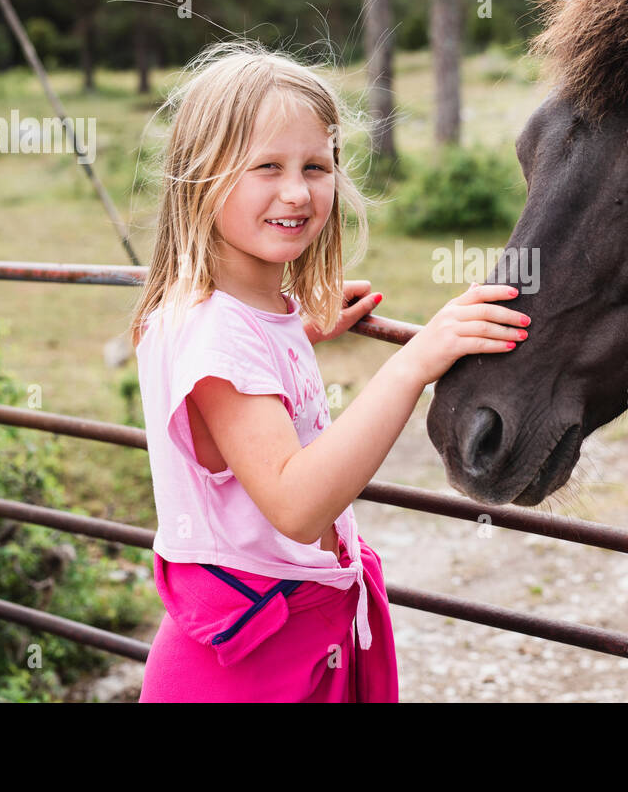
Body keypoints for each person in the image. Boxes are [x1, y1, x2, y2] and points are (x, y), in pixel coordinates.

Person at [129, 39, 530, 702]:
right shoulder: (220, 333)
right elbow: (294, 501)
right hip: (251, 670)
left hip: (271, 639)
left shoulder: (206, 307)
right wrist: (414, 364)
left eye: (316, 165)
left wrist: (298, 328)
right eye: (266, 166)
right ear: (201, 176)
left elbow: (234, 380)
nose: (296, 190)